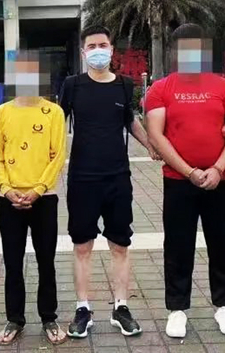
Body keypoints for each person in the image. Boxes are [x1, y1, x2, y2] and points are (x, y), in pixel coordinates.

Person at [144, 23, 225, 339]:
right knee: (178, 245)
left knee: (223, 243)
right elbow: (156, 135)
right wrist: (189, 171)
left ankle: (224, 305)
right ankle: (177, 309)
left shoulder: (223, 87)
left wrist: (217, 168)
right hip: (178, 180)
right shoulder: (161, 89)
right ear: (174, 52)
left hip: (220, 180)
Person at [59, 25, 159, 339]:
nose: (98, 50)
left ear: (112, 49)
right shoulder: (72, 85)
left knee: (120, 244)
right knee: (82, 246)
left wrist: (152, 146)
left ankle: (121, 307)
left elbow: (130, 120)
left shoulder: (124, 85)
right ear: (83, 52)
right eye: (91, 46)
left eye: (102, 45)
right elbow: (57, 123)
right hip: (82, 178)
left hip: (117, 176)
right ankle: (82, 309)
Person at [0, 51, 68, 346]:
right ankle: (14, 319)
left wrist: (38, 189)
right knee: (13, 262)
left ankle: (49, 317)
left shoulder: (54, 112)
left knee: (47, 261)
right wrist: (6, 188)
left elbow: (58, 155)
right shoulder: (0, 113)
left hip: (44, 198)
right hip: (8, 199)